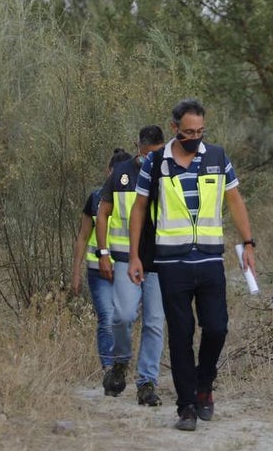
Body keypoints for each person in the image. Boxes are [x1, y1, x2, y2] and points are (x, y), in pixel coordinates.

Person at [127, 98, 256, 432]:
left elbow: (235, 200)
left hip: (211, 259)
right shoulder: (155, 163)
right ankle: (186, 406)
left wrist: (249, 243)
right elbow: (139, 208)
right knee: (181, 334)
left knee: (217, 327)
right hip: (171, 263)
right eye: (188, 132)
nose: (195, 137)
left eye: (200, 131)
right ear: (174, 129)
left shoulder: (216, 157)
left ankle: (204, 384)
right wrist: (136, 255)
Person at [95, 125, 167, 407]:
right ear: (137, 147)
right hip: (126, 259)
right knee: (123, 316)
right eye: (148, 154)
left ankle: (147, 382)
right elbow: (103, 213)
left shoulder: (170, 172)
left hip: (160, 261)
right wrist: (103, 252)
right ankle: (120, 362)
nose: (152, 160)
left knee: (154, 322)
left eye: (158, 154)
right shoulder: (121, 173)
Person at [71, 147, 133, 393]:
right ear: (109, 172)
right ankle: (109, 371)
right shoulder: (95, 198)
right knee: (106, 318)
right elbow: (83, 237)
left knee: (123, 320)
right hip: (98, 271)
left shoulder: (137, 197)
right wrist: (76, 273)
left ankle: (120, 364)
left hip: (126, 270)